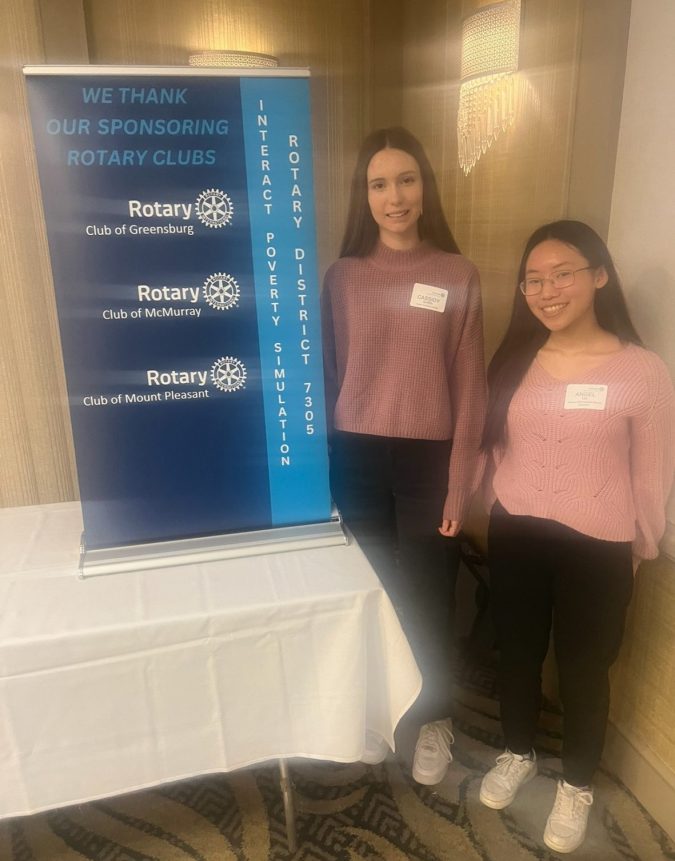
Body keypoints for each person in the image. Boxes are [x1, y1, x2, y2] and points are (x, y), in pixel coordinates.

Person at [478, 220, 675, 853]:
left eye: (562, 274)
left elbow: (652, 473)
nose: (547, 290)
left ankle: (577, 784)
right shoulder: (515, 359)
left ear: (599, 276)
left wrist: (641, 545)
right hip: (517, 530)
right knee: (516, 652)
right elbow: (494, 446)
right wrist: (492, 503)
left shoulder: (642, 370)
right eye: (533, 280)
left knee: (586, 668)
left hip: (600, 543)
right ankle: (517, 751)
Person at [321, 127, 486, 785]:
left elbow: (471, 387)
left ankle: (435, 719)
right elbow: (325, 374)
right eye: (380, 184)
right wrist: (318, 473)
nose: (395, 197)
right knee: (367, 592)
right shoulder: (342, 277)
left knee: (427, 592)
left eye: (407, 180)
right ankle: (373, 712)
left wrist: (459, 483)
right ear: (364, 196)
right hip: (354, 455)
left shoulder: (456, 273)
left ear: (425, 187)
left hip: (428, 462)